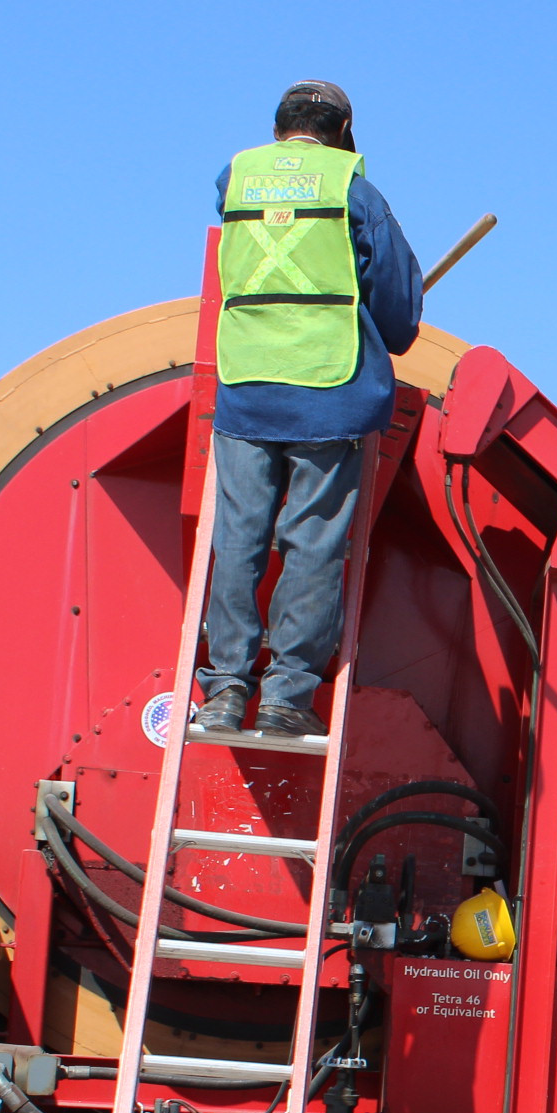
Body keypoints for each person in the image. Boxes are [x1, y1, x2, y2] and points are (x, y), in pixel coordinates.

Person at [196, 81, 422, 737]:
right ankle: (286, 697)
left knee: (238, 541)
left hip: (245, 384)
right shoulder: (352, 186)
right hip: (327, 387)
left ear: (279, 128)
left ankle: (225, 691)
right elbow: (397, 303)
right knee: (314, 545)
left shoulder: (235, 176)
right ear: (344, 127)